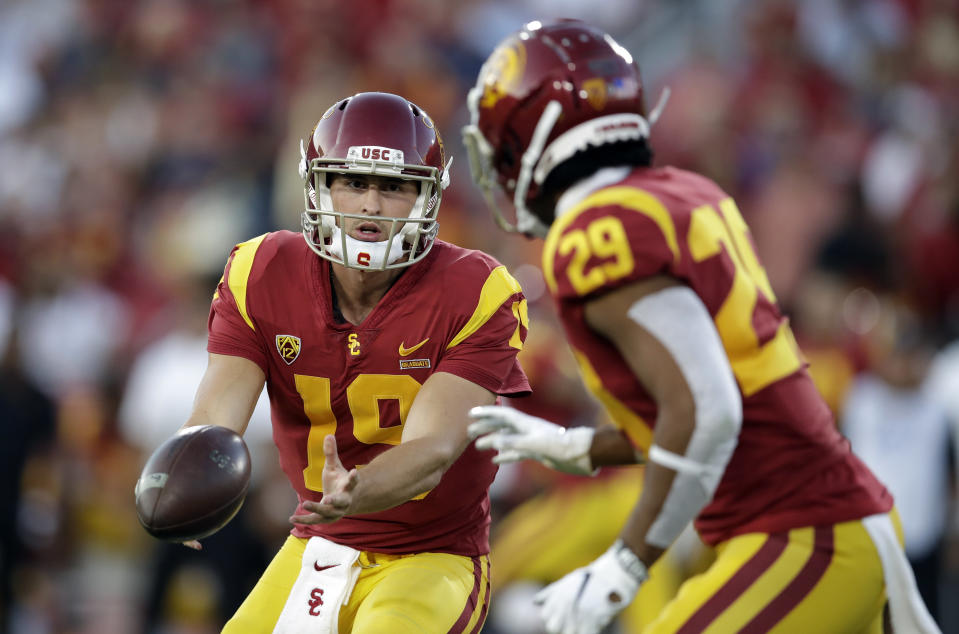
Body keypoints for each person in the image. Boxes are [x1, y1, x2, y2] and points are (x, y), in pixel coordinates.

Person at [462, 19, 939, 634]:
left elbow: (709, 412)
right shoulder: (681, 193)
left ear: (541, 136)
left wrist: (625, 565)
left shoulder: (593, 237)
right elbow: (709, 397)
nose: (500, 167)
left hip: (800, 530)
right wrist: (575, 446)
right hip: (827, 518)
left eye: (504, 146)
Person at [172, 91, 530, 633]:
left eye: (392, 187)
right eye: (354, 182)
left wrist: (355, 490)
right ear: (319, 184)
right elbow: (219, 412)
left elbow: (432, 450)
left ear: (427, 198)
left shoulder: (476, 290)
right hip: (318, 542)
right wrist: (193, 474)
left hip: (432, 555)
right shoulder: (260, 272)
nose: (369, 205)